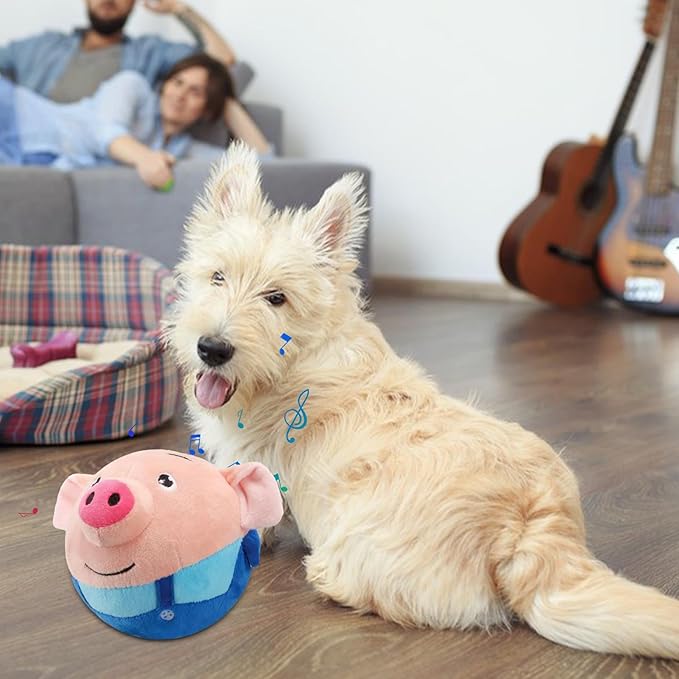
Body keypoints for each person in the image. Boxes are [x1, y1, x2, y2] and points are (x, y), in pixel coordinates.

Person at [0, 0, 270, 153]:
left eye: (195, 92)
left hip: (67, 153)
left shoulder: (147, 55)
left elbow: (222, 64)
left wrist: (178, 9)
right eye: (179, 84)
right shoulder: (41, 46)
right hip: (19, 128)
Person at [0, 54, 266, 189]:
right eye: (177, 82)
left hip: (19, 159)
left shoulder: (183, 150)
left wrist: (228, 103)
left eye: (195, 92)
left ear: (207, 110)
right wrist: (145, 159)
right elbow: (106, 132)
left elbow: (264, 162)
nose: (180, 95)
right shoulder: (133, 86)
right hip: (15, 112)